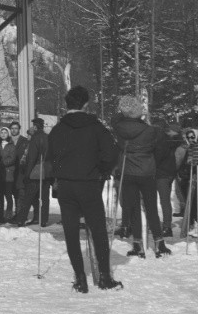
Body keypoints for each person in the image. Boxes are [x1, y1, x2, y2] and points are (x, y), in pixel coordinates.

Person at [47, 85, 123, 292]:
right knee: (98, 230)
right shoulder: (96, 127)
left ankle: (80, 279)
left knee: (71, 232)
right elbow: (111, 152)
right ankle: (105, 277)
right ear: (86, 104)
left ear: (66, 104)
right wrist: (102, 169)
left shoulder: (57, 129)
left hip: (66, 184)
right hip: (89, 183)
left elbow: (50, 155)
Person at [112, 95, 171, 258]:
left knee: (133, 208)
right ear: (138, 111)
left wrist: (124, 110)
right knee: (151, 207)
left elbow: (114, 119)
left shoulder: (118, 127)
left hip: (128, 171)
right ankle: (159, 243)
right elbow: (160, 152)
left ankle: (137, 244)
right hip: (147, 172)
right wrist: (150, 161)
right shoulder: (151, 131)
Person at [13, 118, 50, 227]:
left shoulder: (35, 138)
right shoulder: (48, 137)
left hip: (35, 171)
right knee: (44, 197)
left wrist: (27, 174)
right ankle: (43, 220)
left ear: (35, 126)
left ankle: (21, 219)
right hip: (47, 171)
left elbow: (32, 158)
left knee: (28, 197)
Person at [154, 120, 178, 237]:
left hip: (161, 174)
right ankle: (166, 226)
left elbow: (157, 157)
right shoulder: (171, 140)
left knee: (161, 201)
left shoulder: (160, 140)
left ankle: (166, 227)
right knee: (165, 201)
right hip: (169, 173)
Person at [0, 126, 17, 222]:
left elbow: (12, 158)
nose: (3, 134)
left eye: (5, 132)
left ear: (8, 134)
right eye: (2, 132)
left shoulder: (11, 145)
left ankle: (8, 214)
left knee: (8, 195)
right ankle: (0, 215)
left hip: (8, 174)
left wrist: (2, 163)